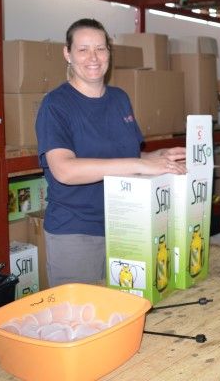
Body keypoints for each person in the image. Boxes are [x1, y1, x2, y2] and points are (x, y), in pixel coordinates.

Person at [35, 18, 186, 287]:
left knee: (128, 303)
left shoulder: (119, 98)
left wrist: (161, 157)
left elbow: (129, 155)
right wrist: (139, 165)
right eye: (83, 49)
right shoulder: (56, 104)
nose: (93, 57)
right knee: (83, 310)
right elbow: (65, 170)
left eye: (100, 49)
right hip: (77, 231)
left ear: (109, 53)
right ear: (67, 54)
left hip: (127, 224)